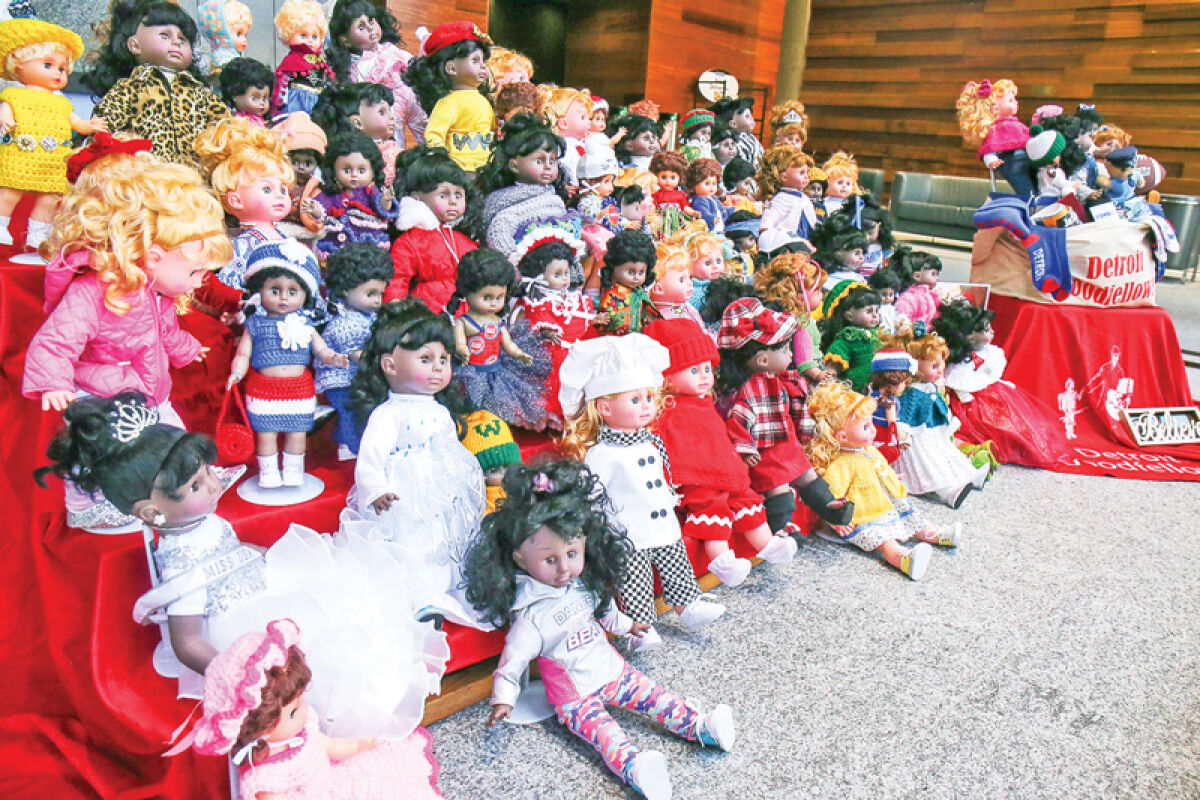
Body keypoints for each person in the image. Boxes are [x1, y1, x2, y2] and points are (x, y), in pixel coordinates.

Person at [34, 393, 448, 735]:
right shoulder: (180, 564)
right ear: (149, 511)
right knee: (327, 648)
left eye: (207, 472)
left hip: (261, 580)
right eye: (195, 484)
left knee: (349, 590)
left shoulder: (201, 521)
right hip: (242, 625)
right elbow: (187, 642)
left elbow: (229, 546)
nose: (214, 483)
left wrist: (263, 558)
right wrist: (240, 677)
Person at [464, 461, 737, 800]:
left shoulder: (583, 585)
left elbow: (606, 612)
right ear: (520, 558)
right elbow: (513, 661)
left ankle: (701, 727)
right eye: (550, 560)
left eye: (572, 553)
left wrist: (628, 625)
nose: (565, 568)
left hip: (613, 670)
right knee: (606, 734)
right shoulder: (531, 617)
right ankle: (636, 768)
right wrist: (503, 699)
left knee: (655, 696)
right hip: (574, 698)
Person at [559, 335, 727, 653]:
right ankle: (640, 627)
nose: (646, 406)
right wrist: (602, 526)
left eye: (648, 398)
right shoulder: (602, 453)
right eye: (634, 400)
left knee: (676, 561)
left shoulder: (650, 441)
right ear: (604, 407)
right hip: (628, 529)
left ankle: (688, 604)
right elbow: (593, 493)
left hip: (662, 523)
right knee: (634, 578)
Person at [343, 299, 489, 629]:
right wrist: (376, 489)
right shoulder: (388, 414)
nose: (438, 367)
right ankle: (418, 597)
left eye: (443, 359)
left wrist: (461, 481)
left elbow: (451, 448)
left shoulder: (439, 410)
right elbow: (370, 459)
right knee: (409, 541)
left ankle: (439, 589)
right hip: (403, 491)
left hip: (437, 488)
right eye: (426, 359)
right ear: (390, 366)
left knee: (439, 537)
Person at [182, 619, 444, 799]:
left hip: (330, 782)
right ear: (258, 728)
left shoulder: (303, 729)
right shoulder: (265, 777)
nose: (305, 712)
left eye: (301, 702)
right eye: (294, 712)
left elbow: (326, 747)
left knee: (388, 782)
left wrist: (356, 747)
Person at [806, 382, 961, 581]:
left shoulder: (869, 450)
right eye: (865, 426)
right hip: (864, 513)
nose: (872, 430)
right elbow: (831, 494)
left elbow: (881, 467)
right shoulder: (841, 464)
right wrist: (835, 520)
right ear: (842, 436)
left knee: (913, 517)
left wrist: (889, 478)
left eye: (870, 423)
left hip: (885, 501)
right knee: (883, 539)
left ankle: (935, 533)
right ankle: (901, 558)